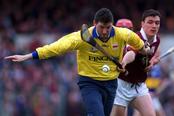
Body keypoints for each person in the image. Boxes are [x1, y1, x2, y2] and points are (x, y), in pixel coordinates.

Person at [5, 8, 149, 116]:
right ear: (94, 24)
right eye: (101, 27)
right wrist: (29, 56)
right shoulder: (81, 37)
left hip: (111, 83)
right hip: (90, 83)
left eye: (108, 27)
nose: (105, 31)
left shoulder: (122, 34)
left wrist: (146, 53)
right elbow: (56, 48)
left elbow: (141, 46)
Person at [111, 9, 161, 116]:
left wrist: (152, 62)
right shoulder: (136, 38)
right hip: (122, 85)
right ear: (142, 24)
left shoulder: (157, 40)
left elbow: (148, 56)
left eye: (157, 23)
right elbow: (132, 54)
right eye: (150, 22)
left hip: (139, 86)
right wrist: (124, 62)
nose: (154, 26)